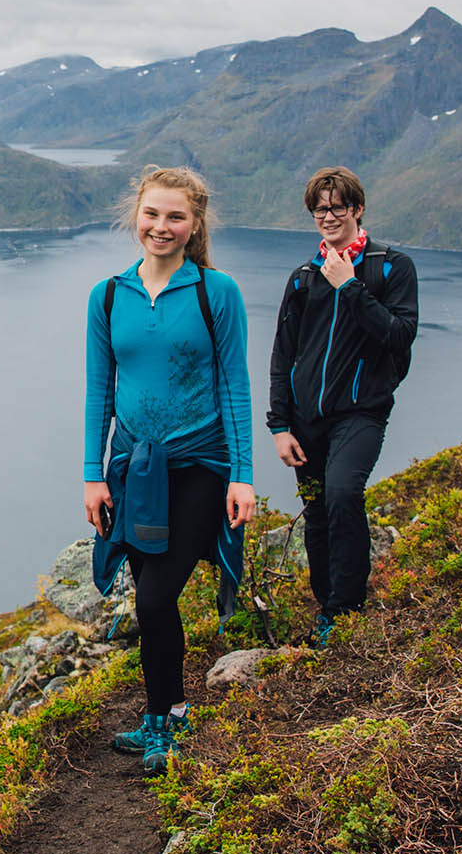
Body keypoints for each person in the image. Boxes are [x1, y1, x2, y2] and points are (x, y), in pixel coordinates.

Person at [83, 165, 255, 774]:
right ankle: (160, 716)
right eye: (152, 214)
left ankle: (172, 719)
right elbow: (99, 391)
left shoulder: (217, 291)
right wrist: (92, 473)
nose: (161, 226)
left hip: (200, 465)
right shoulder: (108, 296)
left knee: (156, 598)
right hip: (133, 468)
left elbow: (235, 387)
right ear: (137, 216)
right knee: (151, 599)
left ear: (195, 224)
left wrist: (242, 475)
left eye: (175, 216)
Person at [266, 166, 419, 646]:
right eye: (319, 210)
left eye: (337, 207)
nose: (328, 216)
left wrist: (349, 286)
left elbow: (400, 335)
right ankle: (326, 607)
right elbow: (283, 355)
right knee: (317, 513)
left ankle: (347, 607)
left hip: (362, 412)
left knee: (342, 494)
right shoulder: (302, 278)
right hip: (306, 420)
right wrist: (279, 425)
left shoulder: (391, 267)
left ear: (357, 209)